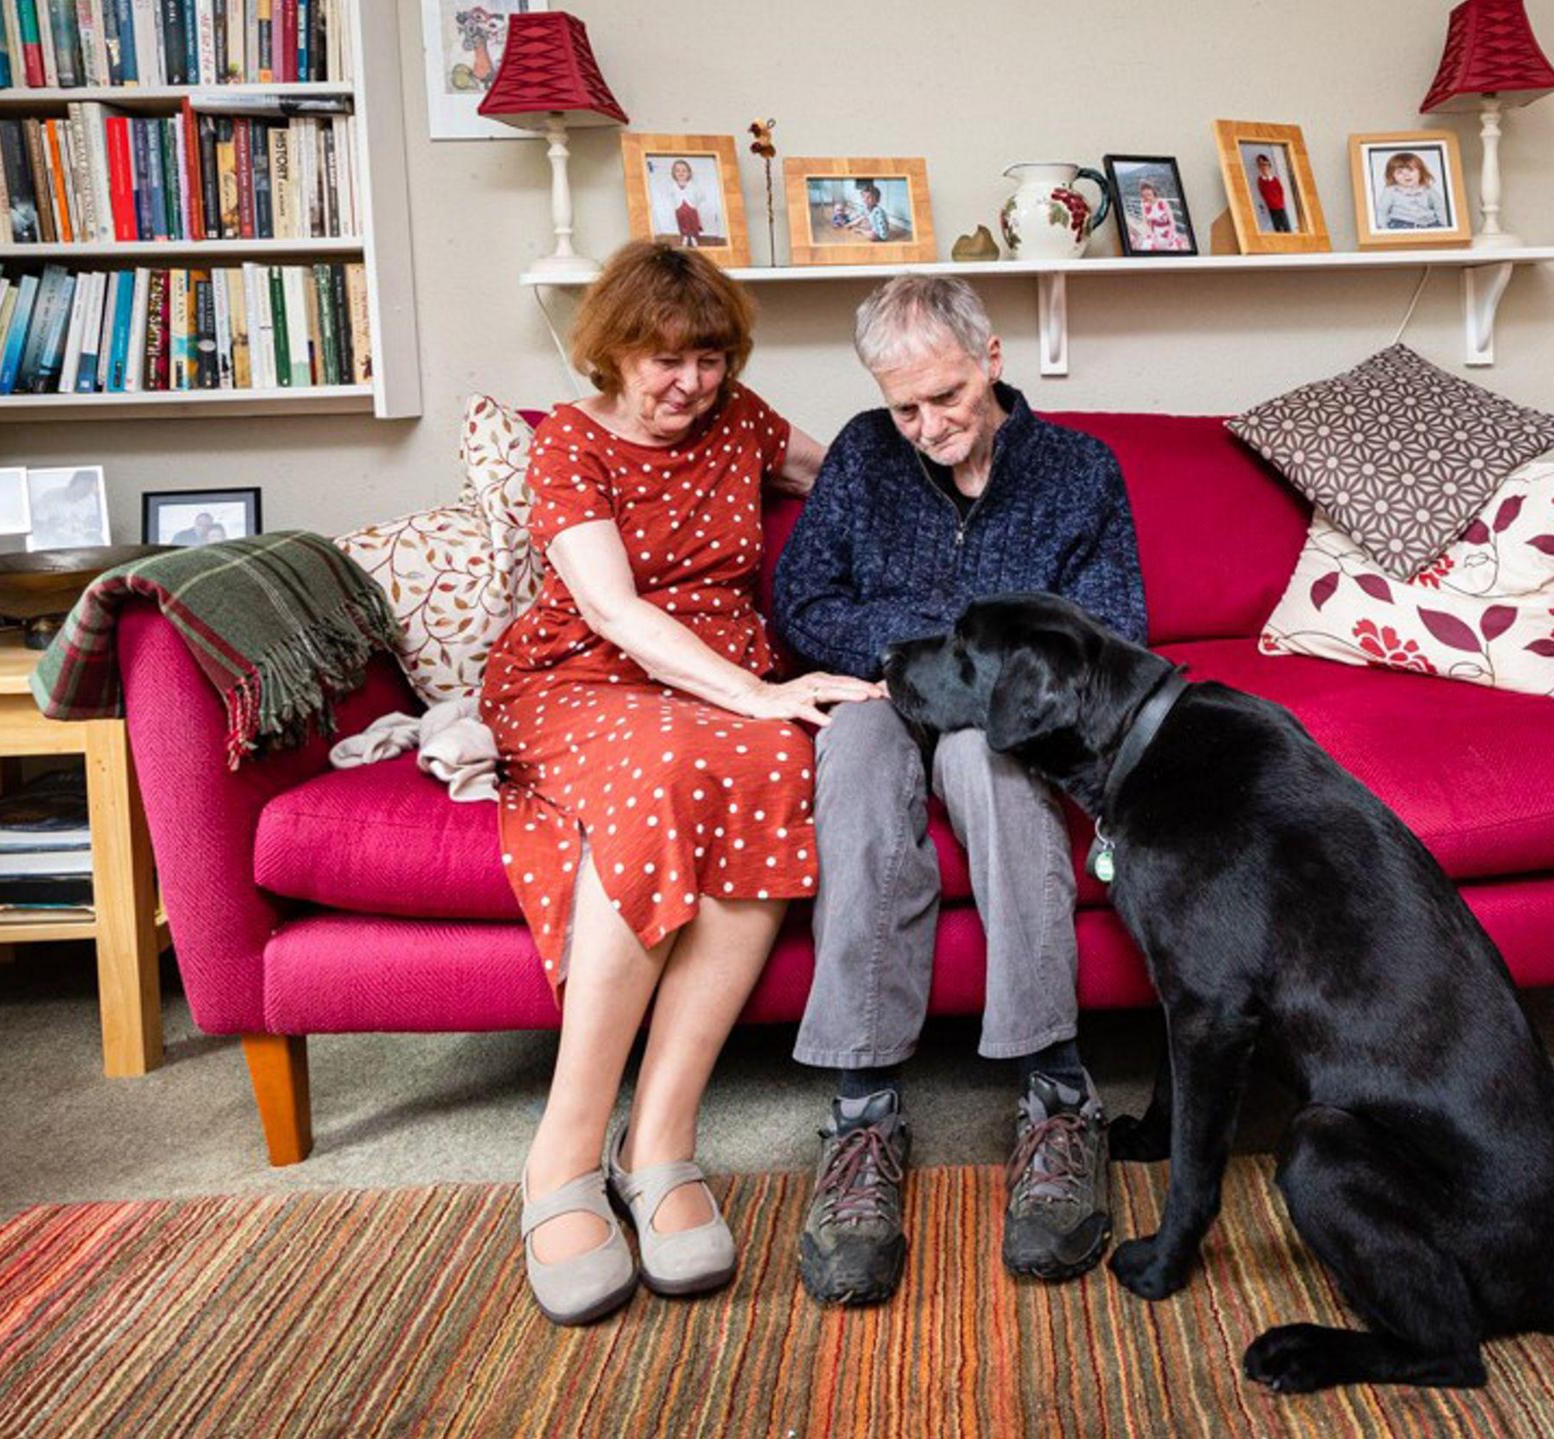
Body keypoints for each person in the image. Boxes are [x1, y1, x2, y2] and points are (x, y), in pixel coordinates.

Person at [482, 242, 876, 1326]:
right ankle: (562, 1150)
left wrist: (967, 451)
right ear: (611, 353)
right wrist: (755, 692)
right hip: (585, 676)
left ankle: (660, 1135)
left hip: (717, 688)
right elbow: (612, 612)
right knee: (667, 766)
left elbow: (853, 471)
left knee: (778, 758)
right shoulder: (569, 444)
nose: (687, 384)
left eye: (707, 357)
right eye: (662, 361)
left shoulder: (739, 419)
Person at [771, 275, 1146, 1305]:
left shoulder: (1077, 470)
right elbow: (802, 596)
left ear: (989, 352)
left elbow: (1113, 627)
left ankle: (1058, 1096)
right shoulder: (860, 453)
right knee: (849, 759)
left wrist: (984, 688)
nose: (927, 425)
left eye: (945, 396)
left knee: (993, 764)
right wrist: (898, 660)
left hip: (1007, 708)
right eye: (904, 407)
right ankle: (861, 1113)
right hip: (883, 687)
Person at [1372, 151, 1449, 231]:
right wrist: (1383, 229)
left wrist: (1445, 225)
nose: (1406, 175)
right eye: (1400, 172)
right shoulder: (1391, 191)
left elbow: (1440, 207)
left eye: (1411, 170)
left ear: (1420, 171)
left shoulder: (1427, 190)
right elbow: (1382, 211)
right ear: (1393, 176)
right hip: (1401, 224)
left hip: (1429, 224)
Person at [665, 158, 706, 248]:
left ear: (689, 173)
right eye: (678, 171)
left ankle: (693, 236)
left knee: (692, 222)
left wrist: (695, 203)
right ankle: (685, 236)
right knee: (682, 223)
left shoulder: (693, 185)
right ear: (674, 173)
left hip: (690, 207)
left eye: (684, 171)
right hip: (679, 208)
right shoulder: (673, 186)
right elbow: (670, 196)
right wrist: (673, 204)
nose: (681, 173)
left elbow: (700, 195)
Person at [1132, 180, 1184, 251]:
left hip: (1168, 231)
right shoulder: (1144, 205)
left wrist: (1169, 237)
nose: (1147, 196)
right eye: (1144, 194)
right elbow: (1145, 222)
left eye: (1148, 191)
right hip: (1155, 232)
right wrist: (1153, 237)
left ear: (1153, 190)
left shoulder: (1162, 202)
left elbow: (1172, 222)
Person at [1253, 152, 1290, 231]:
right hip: (1271, 208)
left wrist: (1280, 203)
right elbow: (1264, 194)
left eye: (1264, 164)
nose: (1263, 167)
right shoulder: (1261, 180)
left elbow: (1281, 191)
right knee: (1277, 228)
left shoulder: (1274, 179)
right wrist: (1271, 204)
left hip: (1280, 207)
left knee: (1287, 227)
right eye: (1260, 165)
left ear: (1269, 165)